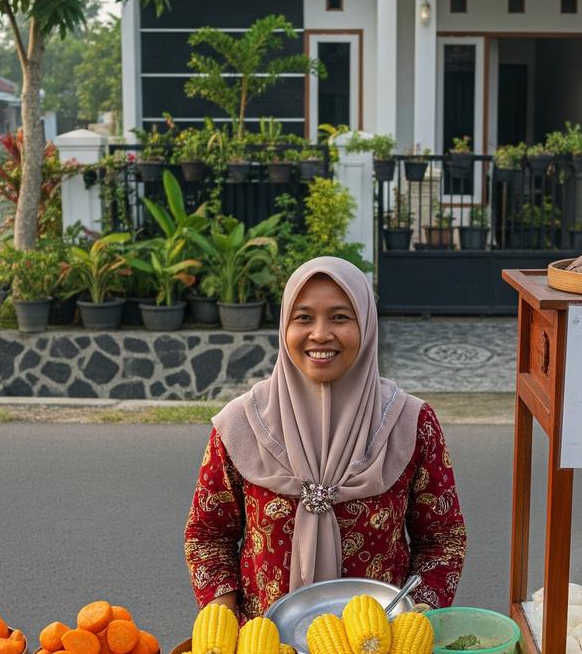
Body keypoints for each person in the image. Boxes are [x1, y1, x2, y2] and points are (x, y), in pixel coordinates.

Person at [184, 256, 466, 620]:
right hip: (263, 639)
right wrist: (225, 626)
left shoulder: (410, 424)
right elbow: (208, 536)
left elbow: (442, 540)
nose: (320, 334)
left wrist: (416, 618)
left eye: (340, 317)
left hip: (382, 639)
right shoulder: (241, 425)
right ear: (284, 326)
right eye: (303, 318)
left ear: (366, 324)